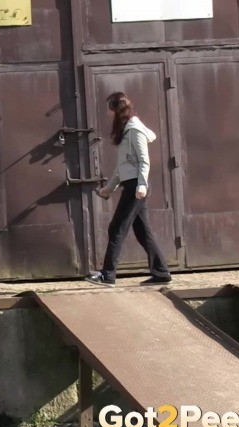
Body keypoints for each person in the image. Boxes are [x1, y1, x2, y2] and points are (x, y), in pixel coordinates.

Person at [85, 92, 172, 287]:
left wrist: (141, 185)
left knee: (116, 227)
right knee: (142, 231)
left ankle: (108, 275)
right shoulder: (126, 130)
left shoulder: (134, 130)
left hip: (136, 187)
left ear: (116, 108)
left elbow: (144, 160)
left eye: (109, 107)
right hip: (132, 184)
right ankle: (162, 272)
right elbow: (122, 165)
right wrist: (109, 188)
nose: (107, 111)